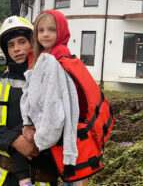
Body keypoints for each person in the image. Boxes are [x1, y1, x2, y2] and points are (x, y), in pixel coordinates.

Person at [0, 16, 59, 186]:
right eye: (11, 45)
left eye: (21, 42)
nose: (16, 49)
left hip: (44, 177)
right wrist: (15, 141)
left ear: (33, 44)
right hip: (0, 177)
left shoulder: (51, 80)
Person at [21, 10, 88, 186]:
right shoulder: (45, 54)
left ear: (62, 31)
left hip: (60, 128)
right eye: (41, 30)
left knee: (68, 176)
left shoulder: (56, 56)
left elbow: (49, 97)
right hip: (64, 129)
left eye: (52, 29)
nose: (45, 34)